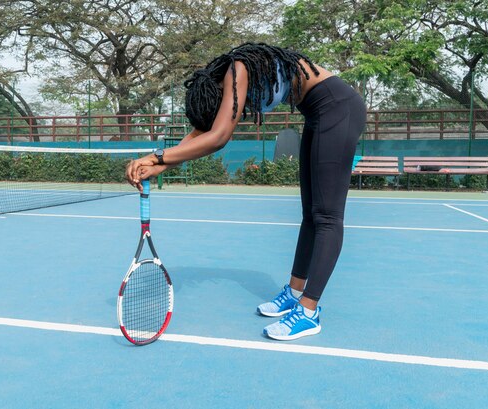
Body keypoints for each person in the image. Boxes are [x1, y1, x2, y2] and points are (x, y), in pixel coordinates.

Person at [126, 43, 366, 341]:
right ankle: (294, 292)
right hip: (319, 112)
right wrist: (161, 164)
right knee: (310, 215)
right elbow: (205, 131)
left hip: (338, 107)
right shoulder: (228, 83)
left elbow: (219, 137)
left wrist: (157, 158)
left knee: (326, 216)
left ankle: (309, 311)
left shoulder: (237, 69)